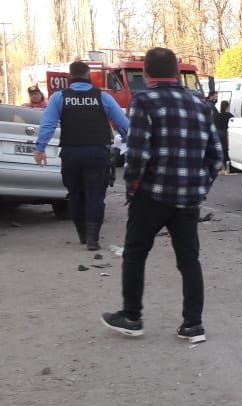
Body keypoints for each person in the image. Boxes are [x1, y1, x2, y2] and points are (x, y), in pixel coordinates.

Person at [101, 47, 223, 344]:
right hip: (188, 200)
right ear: (176, 72)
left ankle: (132, 317)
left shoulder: (144, 101)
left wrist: (132, 186)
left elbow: (138, 153)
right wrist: (198, 188)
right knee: (189, 260)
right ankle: (193, 325)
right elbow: (216, 157)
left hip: (152, 196)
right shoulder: (200, 105)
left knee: (135, 252)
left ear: (146, 74)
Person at [34, 61, 130, 251]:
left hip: (71, 153)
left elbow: (48, 125)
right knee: (96, 195)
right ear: (88, 76)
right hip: (97, 153)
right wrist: (131, 144)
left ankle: (82, 235)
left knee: (75, 195)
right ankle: (93, 238)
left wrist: (40, 148)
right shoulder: (103, 96)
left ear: (70, 77)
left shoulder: (59, 97)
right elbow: (123, 124)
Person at [213, 101, 234, 175]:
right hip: (225, 134)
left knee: (220, 151)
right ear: (227, 107)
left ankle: (220, 169)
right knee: (226, 151)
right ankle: (227, 169)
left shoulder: (217, 116)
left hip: (217, 135)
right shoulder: (229, 115)